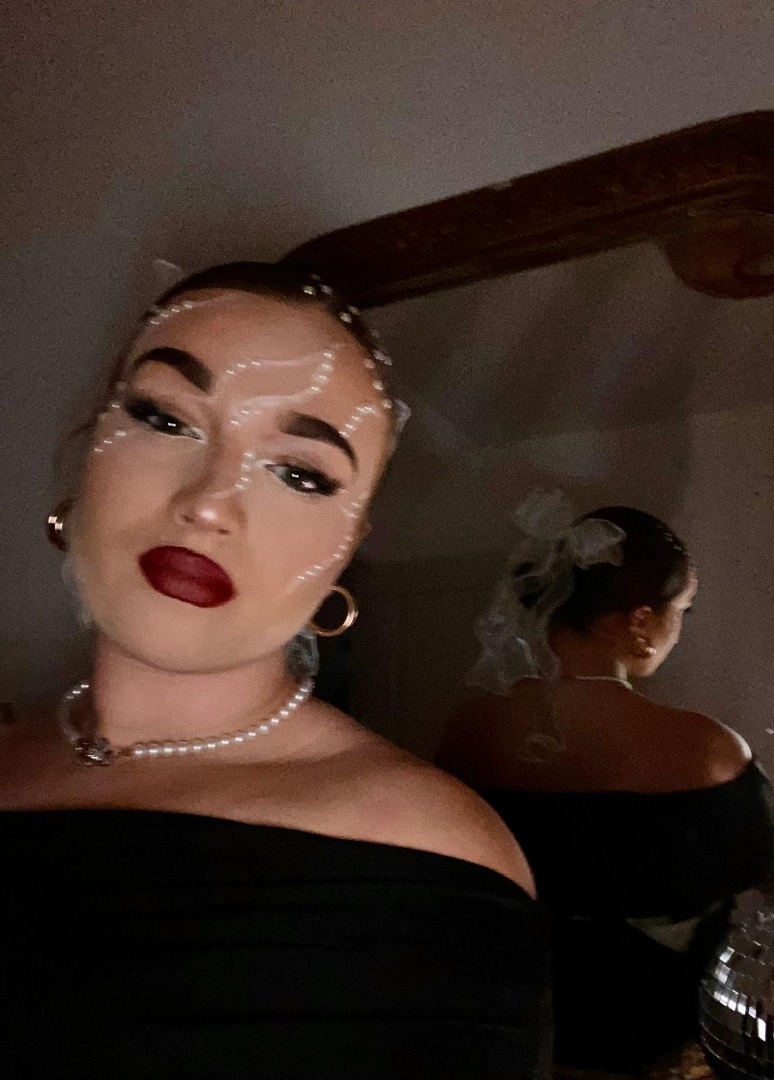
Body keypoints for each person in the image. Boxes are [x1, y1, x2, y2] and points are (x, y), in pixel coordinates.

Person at [0, 263, 547, 1080]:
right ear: (86, 455)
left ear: (345, 551)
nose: (209, 503)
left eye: (300, 474)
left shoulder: (428, 858)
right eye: (164, 418)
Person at [437, 491, 774, 1074]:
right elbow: (762, 892)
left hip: (511, 1033)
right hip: (656, 1044)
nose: (680, 630)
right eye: (684, 610)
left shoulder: (471, 730)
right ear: (641, 620)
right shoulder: (709, 750)